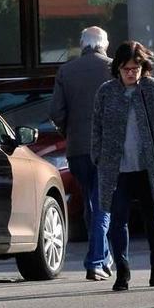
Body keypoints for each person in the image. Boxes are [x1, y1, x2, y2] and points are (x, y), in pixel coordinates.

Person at [92, 41, 154, 291]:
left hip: (148, 167)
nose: (131, 73)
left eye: (136, 68)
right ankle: (122, 272)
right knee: (118, 220)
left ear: (143, 68)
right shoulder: (106, 92)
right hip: (116, 168)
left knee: (153, 218)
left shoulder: (153, 89)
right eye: (126, 68)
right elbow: (97, 126)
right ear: (117, 68)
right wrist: (98, 155)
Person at [49, 26, 113, 281]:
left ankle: (102, 257)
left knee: (90, 203)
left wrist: (70, 131)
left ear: (82, 44)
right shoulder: (113, 68)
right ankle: (97, 260)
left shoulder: (66, 70)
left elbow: (56, 111)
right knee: (102, 206)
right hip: (107, 148)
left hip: (77, 150)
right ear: (104, 44)